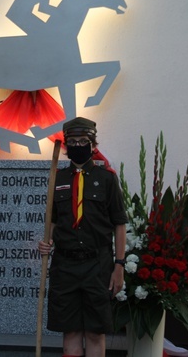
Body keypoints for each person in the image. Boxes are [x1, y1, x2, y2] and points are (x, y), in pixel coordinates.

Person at [38, 117, 127, 357]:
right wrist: (47, 242)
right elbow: (53, 221)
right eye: (73, 141)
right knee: (70, 331)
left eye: (83, 141)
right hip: (64, 266)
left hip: (97, 265)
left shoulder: (107, 178)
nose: (78, 145)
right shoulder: (58, 179)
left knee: (95, 332)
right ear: (66, 145)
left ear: (92, 143)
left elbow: (119, 224)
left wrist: (119, 265)